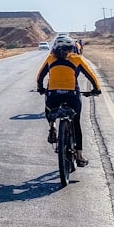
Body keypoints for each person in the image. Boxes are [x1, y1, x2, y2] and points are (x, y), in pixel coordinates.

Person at [36, 36, 102, 167]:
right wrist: (96, 89)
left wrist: (40, 88)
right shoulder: (77, 59)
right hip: (72, 95)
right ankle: (79, 155)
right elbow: (91, 75)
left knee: (49, 110)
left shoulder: (50, 59)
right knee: (76, 123)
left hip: (53, 94)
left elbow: (40, 76)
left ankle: (53, 126)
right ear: (72, 48)